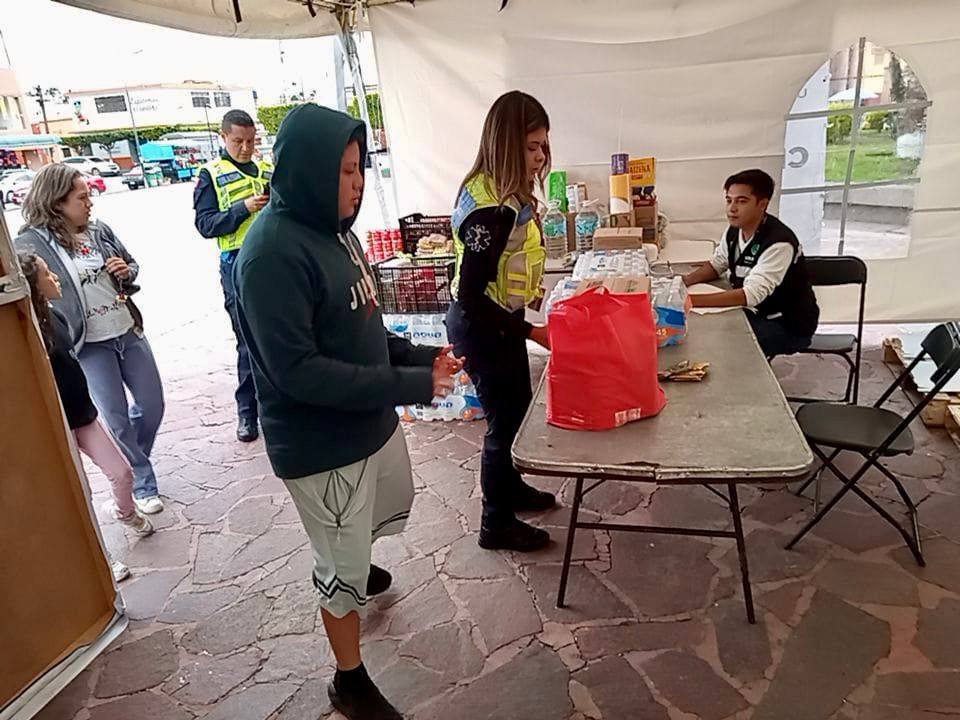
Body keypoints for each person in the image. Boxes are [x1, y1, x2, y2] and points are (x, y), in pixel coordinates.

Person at [235, 103, 461, 720]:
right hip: (321, 443)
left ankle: (358, 560)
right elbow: (299, 372)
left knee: (374, 516)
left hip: (365, 422)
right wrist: (410, 384)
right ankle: (349, 679)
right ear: (307, 171)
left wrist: (421, 356)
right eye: (344, 171)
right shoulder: (271, 255)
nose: (357, 183)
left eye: (360, 168)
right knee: (337, 567)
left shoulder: (338, 231)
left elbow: (362, 325)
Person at [15, 164, 166, 516]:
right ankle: (142, 481)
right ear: (57, 201)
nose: (90, 203)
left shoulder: (99, 230)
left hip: (126, 329)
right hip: (89, 343)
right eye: (81, 198)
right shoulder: (31, 242)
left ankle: (133, 461)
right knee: (115, 417)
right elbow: (32, 291)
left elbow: (130, 264)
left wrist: (125, 272)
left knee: (152, 404)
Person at [445, 90, 556, 553]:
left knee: (516, 411)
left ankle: (512, 490)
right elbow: (471, 296)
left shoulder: (498, 188)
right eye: (531, 147)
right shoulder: (491, 209)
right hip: (481, 327)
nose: (540, 156)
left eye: (543, 146)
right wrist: (534, 332)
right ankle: (495, 523)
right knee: (504, 423)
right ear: (507, 144)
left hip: (499, 322)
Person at [18, 252, 155, 582]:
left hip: (83, 415)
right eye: (47, 275)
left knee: (122, 472)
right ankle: (102, 557)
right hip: (56, 425)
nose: (56, 278)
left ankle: (125, 512)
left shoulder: (57, 317)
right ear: (33, 286)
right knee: (79, 493)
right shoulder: (28, 333)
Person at [193, 109, 273, 443]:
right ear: (223, 137)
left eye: (251, 141)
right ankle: (247, 413)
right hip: (237, 264)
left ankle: (278, 408)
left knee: (280, 337)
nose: (245, 148)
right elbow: (205, 224)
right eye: (238, 141)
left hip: (274, 261)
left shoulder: (267, 170)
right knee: (248, 341)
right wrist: (243, 209)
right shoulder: (211, 174)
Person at [682, 169, 820, 358]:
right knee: (698, 328)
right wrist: (683, 282)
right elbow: (718, 264)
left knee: (718, 341)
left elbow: (751, 295)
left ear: (763, 204)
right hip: (754, 313)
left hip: (787, 325)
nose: (732, 208)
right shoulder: (734, 230)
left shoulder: (779, 243)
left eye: (741, 201)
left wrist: (687, 301)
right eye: (729, 200)